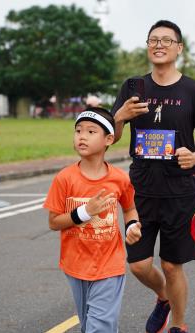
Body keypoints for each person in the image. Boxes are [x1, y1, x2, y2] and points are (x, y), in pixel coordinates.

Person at [112, 20, 195, 333]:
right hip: (141, 189)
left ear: (178, 48)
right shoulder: (134, 87)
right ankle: (163, 298)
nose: (159, 45)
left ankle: (179, 326)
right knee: (139, 265)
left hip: (181, 190)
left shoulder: (193, 90)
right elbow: (113, 136)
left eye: (166, 40)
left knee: (172, 265)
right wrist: (119, 117)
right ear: (147, 46)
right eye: (153, 40)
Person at [44, 107, 142, 333]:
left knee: (99, 328)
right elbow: (53, 222)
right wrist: (85, 212)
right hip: (75, 264)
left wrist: (132, 226)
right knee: (88, 323)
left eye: (90, 131)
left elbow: (130, 208)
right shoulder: (65, 178)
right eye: (78, 131)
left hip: (110, 264)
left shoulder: (119, 178)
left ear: (109, 139)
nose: (82, 136)